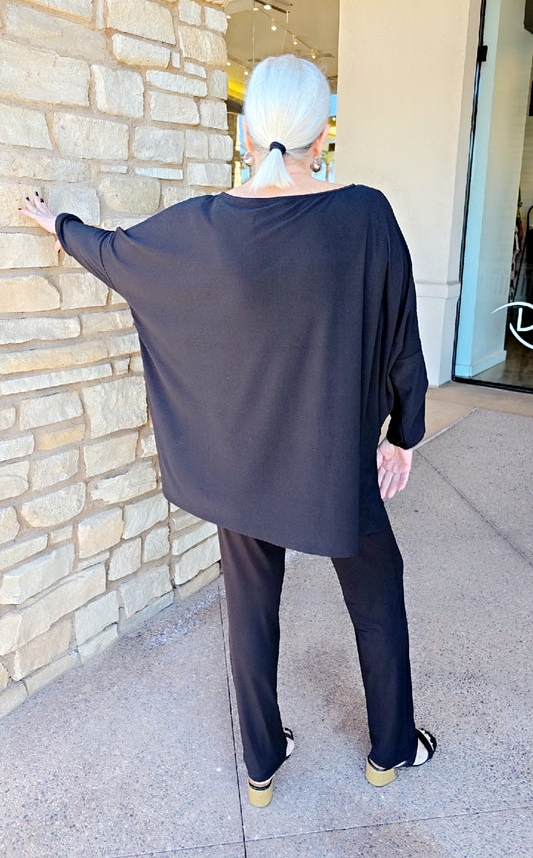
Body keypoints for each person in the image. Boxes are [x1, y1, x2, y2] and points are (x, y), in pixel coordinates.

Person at [20, 54, 436, 807]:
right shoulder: (366, 216)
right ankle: (389, 749)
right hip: (335, 465)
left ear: (246, 134)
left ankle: (261, 765)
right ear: (321, 135)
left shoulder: (199, 226)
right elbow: (401, 338)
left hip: (239, 466)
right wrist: (403, 435)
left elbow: (116, 255)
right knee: (377, 594)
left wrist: (59, 225)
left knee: (249, 608)